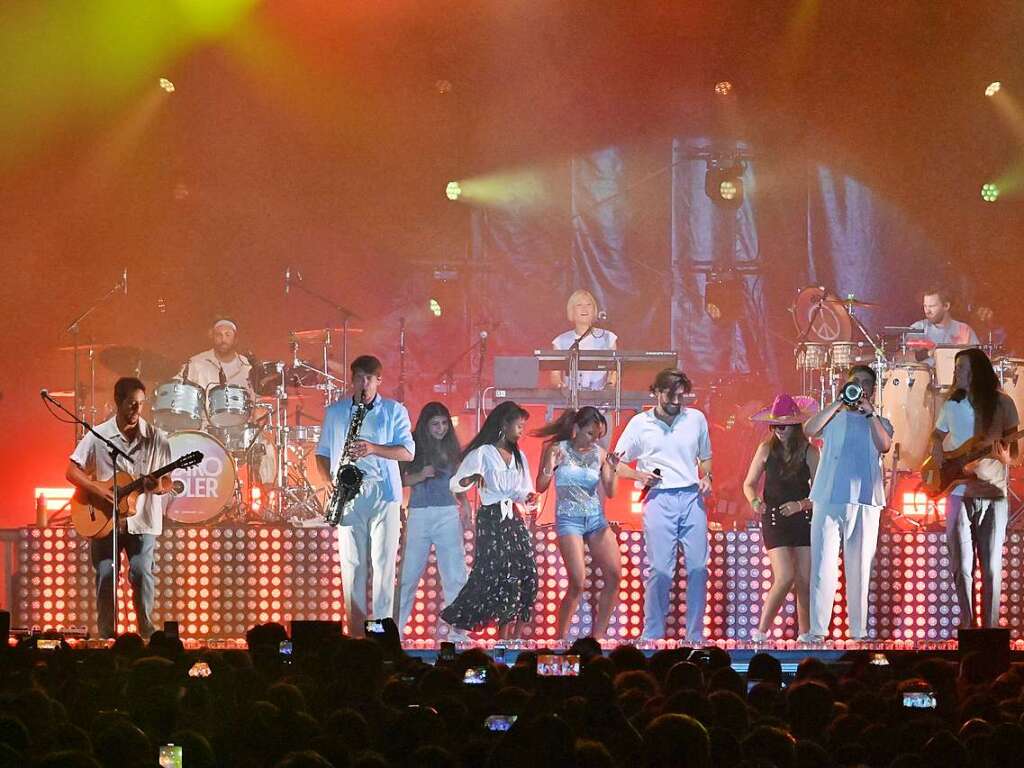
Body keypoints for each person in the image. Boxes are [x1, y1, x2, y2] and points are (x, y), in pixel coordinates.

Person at [65, 377, 172, 638]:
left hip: (142, 520)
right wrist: (98, 489)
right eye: (131, 404)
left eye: (140, 404)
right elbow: (71, 471)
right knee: (105, 575)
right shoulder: (98, 435)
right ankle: (106, 636)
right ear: (118, 402)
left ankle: (146, 633)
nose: (136, 410)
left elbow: (167, 482)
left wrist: (157, 486)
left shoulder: (157, 438)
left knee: (141, 573)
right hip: (104, 520)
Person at [315, 355, 414, 636]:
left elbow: (408, 452)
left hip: (384, 493)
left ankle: (381, 631)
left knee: (384, 563)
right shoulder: (335, 412)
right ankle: (356, 631)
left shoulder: (395, 411)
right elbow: (321, 453)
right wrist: (326, 483)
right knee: (352, 564)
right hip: (348, 493)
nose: (364, 383)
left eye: (370, 378)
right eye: (359, 377)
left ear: (379, 380)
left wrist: (372, 448)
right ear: (352, 379)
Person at [613, 368, 712, 643]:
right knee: (660, 569)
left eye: (681, 396)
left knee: (698, 568)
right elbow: (615, 463)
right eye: (670, 396)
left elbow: (705, 457)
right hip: (657, 498)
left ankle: (694, 635)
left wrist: (707, 476)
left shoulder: (696, 419)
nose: (676, 402)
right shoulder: (639, 424)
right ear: (655, 393)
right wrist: (637, 475)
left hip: (692, 497)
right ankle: (653, 633)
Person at [801, 365, 893, 643]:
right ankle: (817, 630)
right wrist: (839, 401)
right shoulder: (834, 419)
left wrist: (870, 412)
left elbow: (884, 445)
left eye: (866, 384)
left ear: (873, 390)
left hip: (865, 500)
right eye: (855, 383)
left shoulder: (880, 421)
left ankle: (859, 631)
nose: (860, 388)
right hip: (829, 497)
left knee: (860, 567)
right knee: (823, 565)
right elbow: (809, 428)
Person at [930, 348, 1020, 628]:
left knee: (991, 567)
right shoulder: (951, 405)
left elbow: (1014, 454)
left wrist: (1006, 458)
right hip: (958, 492)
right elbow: (937, 435)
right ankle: (968, 625)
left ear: (976, 372)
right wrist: (937, 453)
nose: (956, 373)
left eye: (961, 368)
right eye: (956, 368)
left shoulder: (1003, 404)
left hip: (993, 493)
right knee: (962, 566)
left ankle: (990, 628)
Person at [440, 401, 538, 640]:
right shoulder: (482, 453)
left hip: (513, 517)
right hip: (491, 517)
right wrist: (472, 477)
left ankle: (513, 637)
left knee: (527, 572)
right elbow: (455, 483)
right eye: (518, 426)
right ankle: (466, 628)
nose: (520, 432)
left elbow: (522, 490)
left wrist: (528, 497)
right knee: (493, 574)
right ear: (504, 425)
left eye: (523, 427)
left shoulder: (519, 456)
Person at [534, 407, 621, 640]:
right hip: (568, 518)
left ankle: (598, 637)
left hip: (595, 518)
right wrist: (550, 466)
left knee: (614, 575)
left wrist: (611, 468)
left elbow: (611, 492)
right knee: (577, 581)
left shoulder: (599, 454)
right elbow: (540, 486)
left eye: (599, 435)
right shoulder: (557, 449)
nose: (594, 439)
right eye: (591, 433)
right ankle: (560, 639)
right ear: (576, 429)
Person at [741, 395, 819, 642]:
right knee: (785, 576)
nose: (778, 431)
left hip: (803, 516)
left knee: (804, 580)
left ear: (795, 425)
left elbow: (820, 491)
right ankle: (761, 632)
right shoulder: (766, 449)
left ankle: (805, 633)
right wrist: (755, 502)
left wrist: (800, 505)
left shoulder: (810, 450)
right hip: (774, 518)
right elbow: (749, 484)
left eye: (783, 426)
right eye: (774, 426)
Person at [397, 402, 470, 639]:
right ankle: (395, 631)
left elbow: (458, 480)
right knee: (408, 575)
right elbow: (400, 481)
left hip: (447, 512)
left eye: (444, 423)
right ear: (425, 426)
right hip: (419, 513)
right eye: (435, 424)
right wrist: (421, 475)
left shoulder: (451, 448)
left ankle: (457, 633)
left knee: (455, 574)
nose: (440, 429)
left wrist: (466, 503)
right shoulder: (413, 445)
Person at [551, 289, 618, 391]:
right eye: (579, 305)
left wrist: (609, 386)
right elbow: (555, 375)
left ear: (594, 310)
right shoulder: (560, 341)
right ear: (571, 310)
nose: (584, 309)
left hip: (600, 400)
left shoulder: (608, 338)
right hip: (570, 400)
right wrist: (561, 387)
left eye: (588, 305)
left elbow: (614, 370)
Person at [184, 317, 254, 394]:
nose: (223, 340)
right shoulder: (196, 362)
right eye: (219, 335)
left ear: (235, 339)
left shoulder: (246, 365)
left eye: (227, 335)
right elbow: (178, 387)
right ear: (213, 338)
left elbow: (255, 397)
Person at [910, 288, 980, 347]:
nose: (927, 311)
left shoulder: (964, 330)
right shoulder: (917, 329)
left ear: (946, 306)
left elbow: (976, 357)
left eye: (932, 306)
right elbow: (902, 356)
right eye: (925, 306)